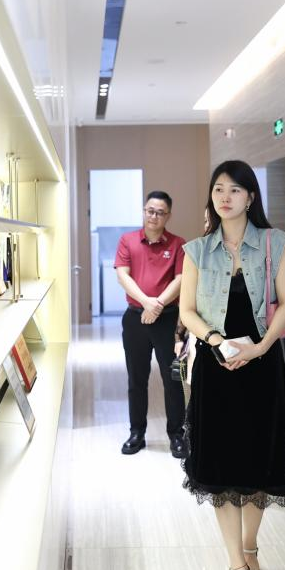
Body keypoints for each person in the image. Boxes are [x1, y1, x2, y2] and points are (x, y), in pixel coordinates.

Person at [179, 160, 285, 570]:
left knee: (259, 462)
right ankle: (236, 563)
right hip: (216, 367)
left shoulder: (275, 242)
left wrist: (261, 348)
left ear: (250, 196)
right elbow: (187, 310)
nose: (225, 197)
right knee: (219, 464)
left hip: (262, 367)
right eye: (218, 189)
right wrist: (215, 341)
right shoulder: (197, 250)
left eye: (234, 189)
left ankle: (250, 544)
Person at [115, 190, 187, 458]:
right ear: (144, 211)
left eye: (160, 212)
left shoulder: (178, 244)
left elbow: (180, 279)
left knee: (173, 379)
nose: (153, 216)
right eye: (150, 211)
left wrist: (157, 306)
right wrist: (147, 303)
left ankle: (177, 435)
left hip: (167, 319)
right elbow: (123, 276)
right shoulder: (128, 240)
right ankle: (137, 433)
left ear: (168, 215)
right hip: (135, 318)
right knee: (137, 379)